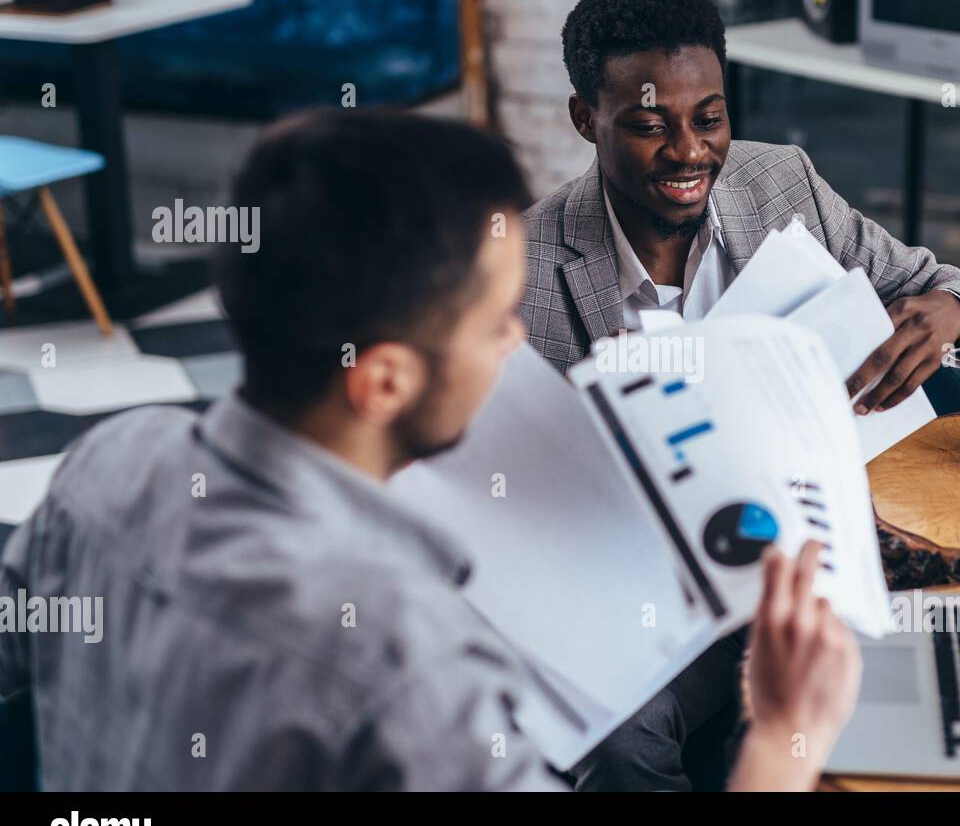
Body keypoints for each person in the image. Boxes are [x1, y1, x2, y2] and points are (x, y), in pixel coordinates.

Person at [0, 110, 860, 791]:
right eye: (494, 323)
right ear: (380, 382)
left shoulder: (106, 461)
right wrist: (786, 738)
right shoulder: (405, 667)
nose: (514, 345)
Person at [522, 0, 960, 790]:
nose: (690, 151)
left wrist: (949, 314)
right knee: (621, 737)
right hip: (666, 587)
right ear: (586, 118)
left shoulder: (779, 182)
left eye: (709, 118)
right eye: (650, 126)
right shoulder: (535, 267)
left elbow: (948, 281)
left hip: (834, 542)